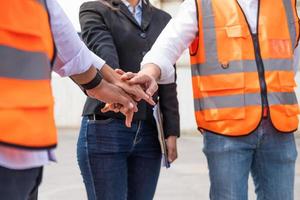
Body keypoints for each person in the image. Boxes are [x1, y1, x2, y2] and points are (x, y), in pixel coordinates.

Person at [116, 0, 300, 199]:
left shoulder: (285, 4)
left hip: (279, 128)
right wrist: (150, 73)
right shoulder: (202, 4)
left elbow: (291, 58)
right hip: (226, 131)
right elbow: (167, 46)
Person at [0, 0, 150, 199]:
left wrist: (111, 82)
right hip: (21, 142)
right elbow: (70, 49)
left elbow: (71, 49)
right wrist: (105, 86)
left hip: (21, 144)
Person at [76, 0, 180, 199]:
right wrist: (124, 88)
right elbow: (103, 55)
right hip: (105, 128)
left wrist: (171, 131)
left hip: (150, 133)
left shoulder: (163, 19)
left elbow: (168, 78)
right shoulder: (94, 9)